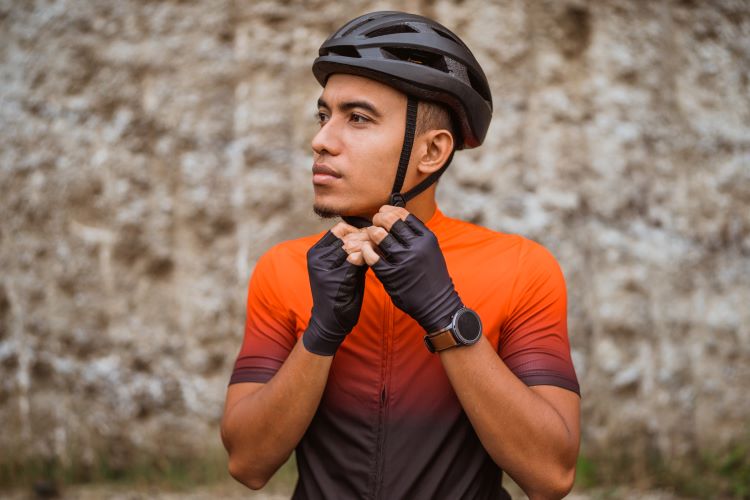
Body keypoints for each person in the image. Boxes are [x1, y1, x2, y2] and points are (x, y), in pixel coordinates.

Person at [221, 11, 580, 500]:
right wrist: (320, 334)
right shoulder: (284, 269)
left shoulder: (521, 268)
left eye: (359, 118)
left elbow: (551, 475)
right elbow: (248, 463)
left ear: (431, 152)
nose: (321, 140)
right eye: (324, 115)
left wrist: (446, 316)